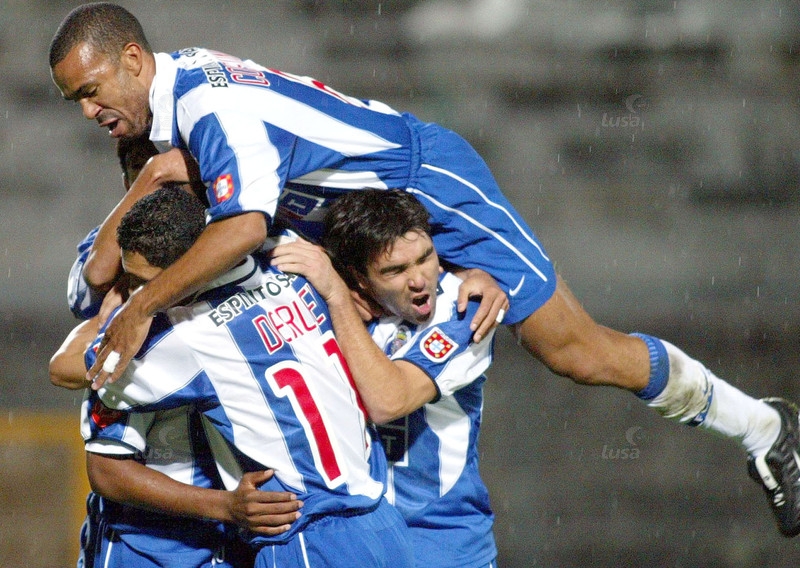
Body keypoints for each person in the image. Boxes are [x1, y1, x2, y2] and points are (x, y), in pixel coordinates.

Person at [48, 3, 800, 537]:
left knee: (574, 351)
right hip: (342, 225)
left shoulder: (212, 109)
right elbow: (108, 276)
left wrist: (140, 311)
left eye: (91, 91)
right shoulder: (175, 111)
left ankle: (761, 426)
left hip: (429, 188)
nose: (87, 111)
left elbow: (244, 227)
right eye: (74, 100)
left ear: (134, 61)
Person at [61, 185, 414, 567]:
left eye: (145, 284)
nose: (135, 294)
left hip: (303, 532)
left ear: (184, 271)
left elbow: (67, 370)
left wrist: (113, 322)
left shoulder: (184, 337)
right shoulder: (292, 257)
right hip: (382, 520)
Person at [51, 133, 301, 568]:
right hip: (149, 534)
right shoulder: (128, 263)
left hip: (241, 526)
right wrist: (127, 335)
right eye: (150, 180)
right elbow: (67, 363)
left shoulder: (253, 248)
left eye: (179, 180)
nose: (167, 195)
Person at [271, 189, 499, 567]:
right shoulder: (334, 303)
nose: (419, 280)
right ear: (359, 278)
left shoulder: (467, 310)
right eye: (395, 270)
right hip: (359, 541)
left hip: (442, 543)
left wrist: (337, 295)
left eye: (425, 258)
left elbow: (388, 401)